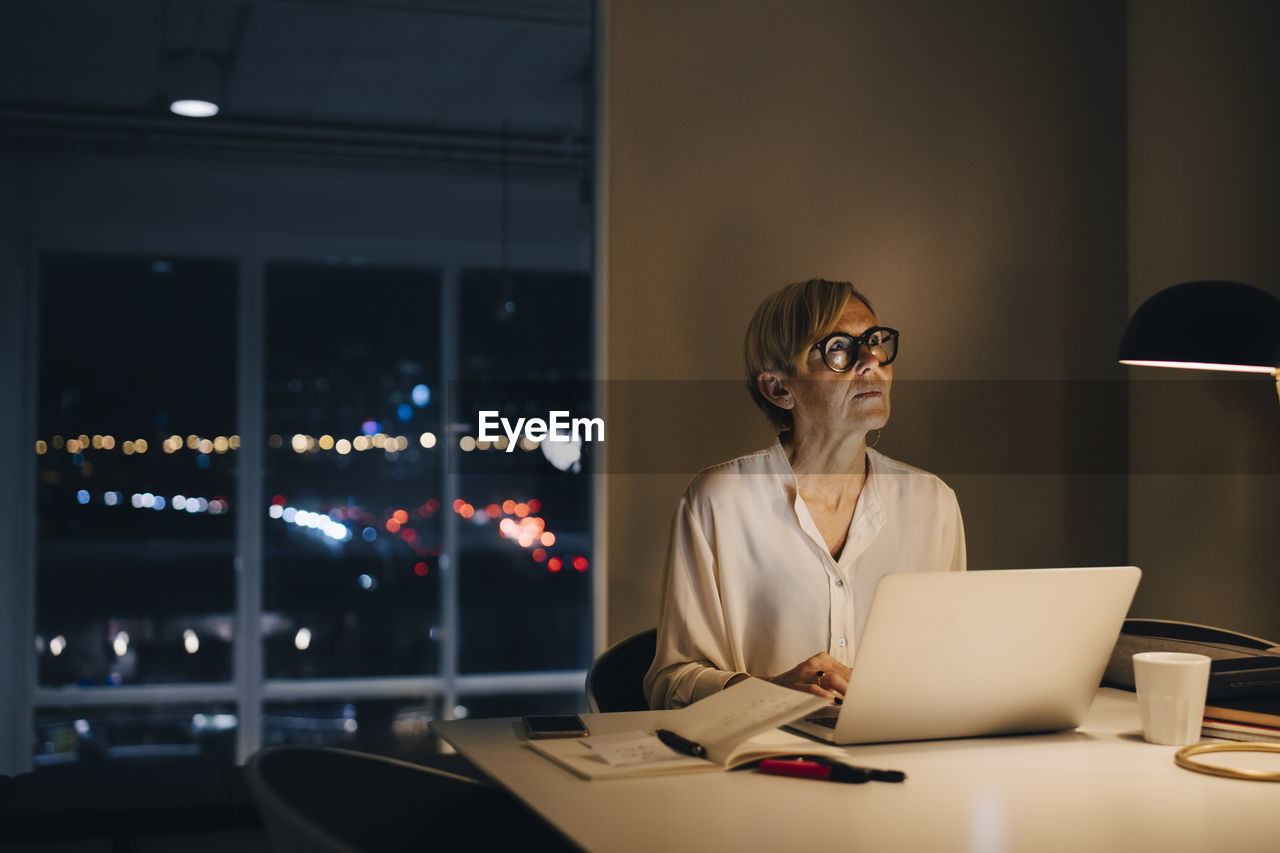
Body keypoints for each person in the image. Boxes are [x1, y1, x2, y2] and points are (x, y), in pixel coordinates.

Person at [643, 278, 966, 710]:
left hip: (901, 756)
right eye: (839, 349)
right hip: (758, 764)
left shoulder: (933, 503)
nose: (871, 362)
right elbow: (670, 685)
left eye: (874, 342)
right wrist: (768, 693)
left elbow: (953, 665)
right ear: (778, 389)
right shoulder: (719, 501)